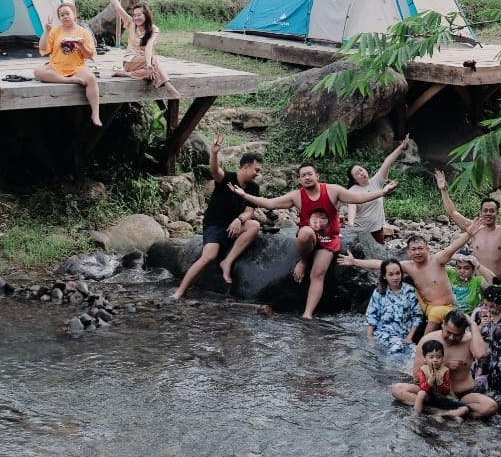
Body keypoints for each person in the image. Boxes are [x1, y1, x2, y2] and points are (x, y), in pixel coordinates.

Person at [227, 162, 398, 319]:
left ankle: (307, 314)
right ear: (299, 180)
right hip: (308, 238)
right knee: (306, 232)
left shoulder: (332, 190)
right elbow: (269, 203)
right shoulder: (297, 196)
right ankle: (303, 260)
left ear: (317, 176)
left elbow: (359, 198)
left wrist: (383, 192)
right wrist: (244, 195)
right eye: (303, 175)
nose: (307, 177)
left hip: (328, 239)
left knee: (318, 274)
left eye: (310, 174)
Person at [339, 221, 482, 334]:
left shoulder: (438, 260)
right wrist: (355, 262)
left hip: (443, 306)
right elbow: (382, 264)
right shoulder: (408, 266)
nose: (417, 252)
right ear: (408, 252)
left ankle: (424, 346)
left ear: (428, 249)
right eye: (413, 250)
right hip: (423, 304)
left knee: (436, 314)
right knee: (398, 293)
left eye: (421, 248)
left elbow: (452, 247)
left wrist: (468, 234)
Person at [170, 134, 262, 299]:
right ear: (246, 167)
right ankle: (179, 292)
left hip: (235, 225)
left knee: (254, 225)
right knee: (208, 257)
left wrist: (239, 219)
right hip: (215, 225)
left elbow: (249, 212)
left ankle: (227, 262)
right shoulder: (228, 178)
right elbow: (215, 170)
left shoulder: (253, 188)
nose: (257, 173)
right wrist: (214, 153)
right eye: (256, 170)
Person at [435, 169, 501, 305]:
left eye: (492, 211)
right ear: (480, 213)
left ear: (497, 213)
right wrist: (443, 190)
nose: (488, 214)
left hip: (499, 281)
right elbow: (453, 212)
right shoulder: (474, 228)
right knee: (476, 316)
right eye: (485, 211)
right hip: (478, 281)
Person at [391, 310, 498, 419]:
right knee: (397, 389)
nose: (451, 338)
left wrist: (473, 324)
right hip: (433, 393)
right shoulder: (428, 340)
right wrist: (444, 367)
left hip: (462, 395)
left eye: (457, 335)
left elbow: (480, 354)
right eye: (448, 332)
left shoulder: (470, 339)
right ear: (443, 324)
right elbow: (416, 375)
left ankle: (455, 410)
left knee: (490, 406)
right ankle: (441, 411)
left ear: (463, 332)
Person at [98, 0, 181, 99]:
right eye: (134, 15)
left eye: (139, 15)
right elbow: (118, 7)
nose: (136, 18)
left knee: (150, 72)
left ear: (146, 16)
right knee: (153, 61)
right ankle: (168, 85)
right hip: (130, 62)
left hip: (146, 63)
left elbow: (149, 47)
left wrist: (148, 66)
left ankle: (126, 74)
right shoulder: (131, 23)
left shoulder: (153, 29)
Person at [33, 2, 102, 126]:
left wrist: (81, 45)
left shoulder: (83, 32)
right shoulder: (55, 31)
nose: (65, 16)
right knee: (38, 72)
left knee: (91, 78)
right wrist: (46, 32)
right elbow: (43, 49)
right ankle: (70, 80)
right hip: (56, 66)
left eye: (67, 13)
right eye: (61, 15)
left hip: (76, 67)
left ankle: (95, 114)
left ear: (74, 15)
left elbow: (90, 55)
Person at [345, 134, 411, 244]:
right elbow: (351, 208)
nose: (361, 173)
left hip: (377, 229)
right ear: (355, 180)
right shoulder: (352, 191)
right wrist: (350, 224)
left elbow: (387, 162)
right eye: (357, 174)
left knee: (380, 257)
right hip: (361, 231)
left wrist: (401, 147)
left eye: (361, 170)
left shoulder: (376, 181)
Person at [365, 259, 424, 355]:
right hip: (382, 334)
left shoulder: (410, 291)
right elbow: (371, 317)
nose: (395, 277)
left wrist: (409, 337)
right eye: (391, 274)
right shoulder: (379, 292)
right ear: (384, 276)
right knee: (396, 349)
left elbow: (417, 316)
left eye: (398, 273)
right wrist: (369, 339)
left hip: (404, 336)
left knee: (416, 354)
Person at [470, 284, 501, 397]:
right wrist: (480, 326)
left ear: (500, 303)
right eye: (485, 305)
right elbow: (469, 338)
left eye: (492, 306)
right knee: (479, 382)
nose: (488, 309)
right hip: (482, 357)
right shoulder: (478, 313)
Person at [414, 339, 470, 420]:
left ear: (442, 358)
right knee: (421, 393)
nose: (435, 360)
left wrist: (439, 380)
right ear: (424, 358)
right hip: (431, 398)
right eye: (431, 357)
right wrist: (431, 380)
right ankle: (415, 415)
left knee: (466, 408)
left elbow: (445, 391)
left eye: (438, 357)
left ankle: (448, 414)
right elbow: (422, 387)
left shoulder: (445, 371)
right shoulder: (422, 369)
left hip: (445, 399)